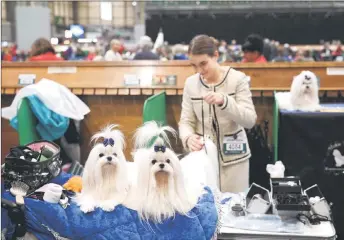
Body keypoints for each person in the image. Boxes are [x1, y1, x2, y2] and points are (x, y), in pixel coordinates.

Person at [179, 34, 257, 193]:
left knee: (234, 210)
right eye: (194, 65)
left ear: (216, 55)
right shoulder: (190, 84)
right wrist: (188, 138)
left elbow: (249, 120)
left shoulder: (238, 79)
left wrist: (225, 101)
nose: (199, 70)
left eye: (203, 64)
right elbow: (186, 121)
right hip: (203, 161)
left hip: (235, 160)